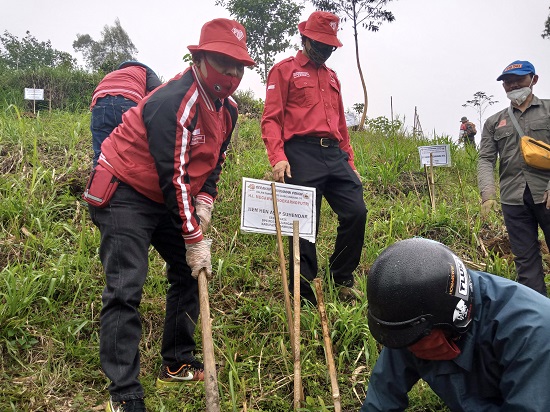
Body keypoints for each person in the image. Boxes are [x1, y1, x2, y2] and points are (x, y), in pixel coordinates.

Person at [85, 18, 255, 412]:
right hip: (124, 187)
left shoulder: (227, 110)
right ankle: (123, 392)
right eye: (222, 62)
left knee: (186, 271)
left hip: (161, 195)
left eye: (239, 67)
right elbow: (173, 176)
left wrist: (207, 200)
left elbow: (214, 161)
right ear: (199, 59)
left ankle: (176, 362)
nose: (231, 74)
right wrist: (194, 237)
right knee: (126, 286)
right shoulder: (174, 101)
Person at [361, 237, 550, 411]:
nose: (407, 349)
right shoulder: (409, 321)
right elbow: (381, 398)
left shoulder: (532, 333)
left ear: (454, 322)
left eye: (413, 340)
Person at [260, 11, 367, 305]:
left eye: (331, 47)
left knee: (356, 211)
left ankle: (341, 277)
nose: (326, 51)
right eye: (320, 45)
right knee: (304, 224)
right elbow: (271, 119)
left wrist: (351, 164)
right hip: (300, 153)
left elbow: (341, 126)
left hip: (334, 153)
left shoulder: (332, 77)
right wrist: (277, 157)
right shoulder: (284, 70)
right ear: (305, 39)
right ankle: (303, 292)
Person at [478, 60, 550, 296]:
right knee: (525, 261)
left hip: (546, 194)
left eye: (519, 79)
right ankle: (539, 316)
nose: (513, 85)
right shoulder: (494, 121)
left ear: (534, 80)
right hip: (513, 199)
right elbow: (486, 159)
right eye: (508, 82)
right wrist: (487, 194)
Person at [90, 61, 162, 167]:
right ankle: (129, 181)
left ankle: (98, 181)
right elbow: (159, 92)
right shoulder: (145, 71)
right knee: (132, 151)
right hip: (127, 100)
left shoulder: (115, 73)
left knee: (101, 154)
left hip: (100, 103)